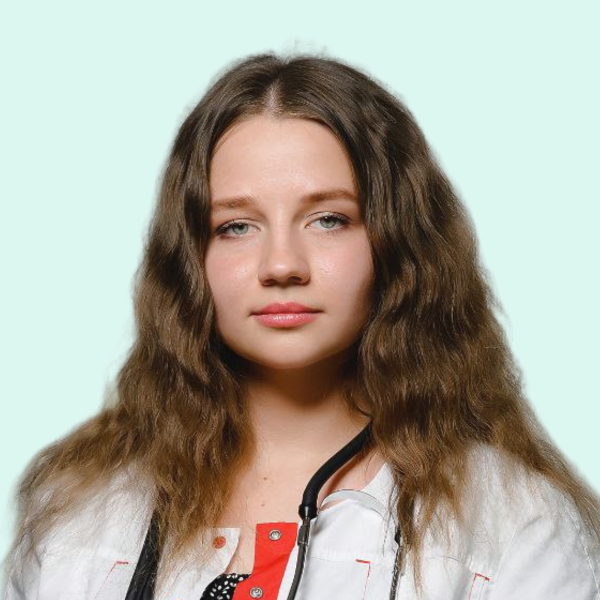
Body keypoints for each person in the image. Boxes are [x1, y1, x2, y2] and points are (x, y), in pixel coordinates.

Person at [3, 51, 600, 600]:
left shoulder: (515, 524)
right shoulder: (78, 511)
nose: (282, 265)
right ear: (189, 258)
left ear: (397, 244)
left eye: (328, 219)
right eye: (236, 226)